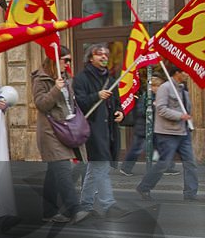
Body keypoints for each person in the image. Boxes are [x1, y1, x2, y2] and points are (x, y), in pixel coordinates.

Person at [31, 47, 80, 224]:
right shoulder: (40, 78)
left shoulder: (66, 78)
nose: (68, 64)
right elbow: (41, 104)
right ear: (54, 60)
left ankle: (49, 211)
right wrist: (56, 89)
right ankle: (75, 209)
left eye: (69, 61)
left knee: (53, 173)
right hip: (50, 132)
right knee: (63, 170)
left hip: (65, 130)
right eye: (65, 60)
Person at [74, 44, 123, 219]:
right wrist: (96, 95)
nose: (103, 57)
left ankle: (85, 205)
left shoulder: (111, 78)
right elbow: (79, 102)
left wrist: (119, 111)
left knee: (94, 168)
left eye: (105, 54)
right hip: (92, 129)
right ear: (90, 58)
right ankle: (108, 204)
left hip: (108, 129)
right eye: (99, 54)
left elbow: (117, 101)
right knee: (101, 165)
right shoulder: (81, 78)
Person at [137, 65, 198, 202]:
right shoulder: (165, 88)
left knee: (190, 163)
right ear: (177, 73)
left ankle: (190, 194)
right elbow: (161, 109)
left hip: (183, 133)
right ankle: (144, 187)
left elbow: (187, 108)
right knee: (163, 164)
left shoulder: (183, 89)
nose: (188, 75)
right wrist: (180, 116)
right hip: (167, 133)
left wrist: (187, 119)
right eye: (185, 72)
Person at [119, 74, 162, 176]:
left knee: (162, 147)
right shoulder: (146, 96)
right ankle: (126, 167)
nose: (158, 88)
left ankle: (167, 167)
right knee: (136, 149)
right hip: (143, 128)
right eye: (156, 86)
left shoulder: (157, 97)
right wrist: (153, 107)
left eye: (159, 86)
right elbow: (141, 111)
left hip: (153, 128)